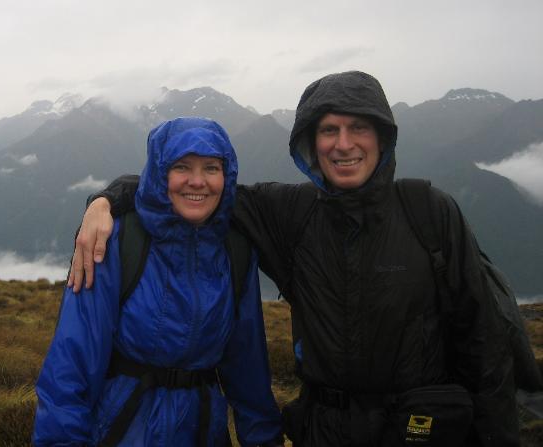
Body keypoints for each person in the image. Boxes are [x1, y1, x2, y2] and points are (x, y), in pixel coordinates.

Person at [68, 72, 519, 446]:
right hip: (324, 430)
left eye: (359, 127)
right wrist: (104, 200)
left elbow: (484, 344)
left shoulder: (429, 212)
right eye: (328, 130)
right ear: (311, 144)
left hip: (419, 430)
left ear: (383, 137)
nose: (344, 144)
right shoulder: (290, 215)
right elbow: (195, 191)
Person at [33, 117, 283, 446]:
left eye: (211, 168)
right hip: (123, 431)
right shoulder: (115, 241)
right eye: (182, 167)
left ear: (227, 175)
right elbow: (72, 366)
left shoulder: (234, 250)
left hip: (203, 432)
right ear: (160, 174)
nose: (198, 181)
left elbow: (248, 368)